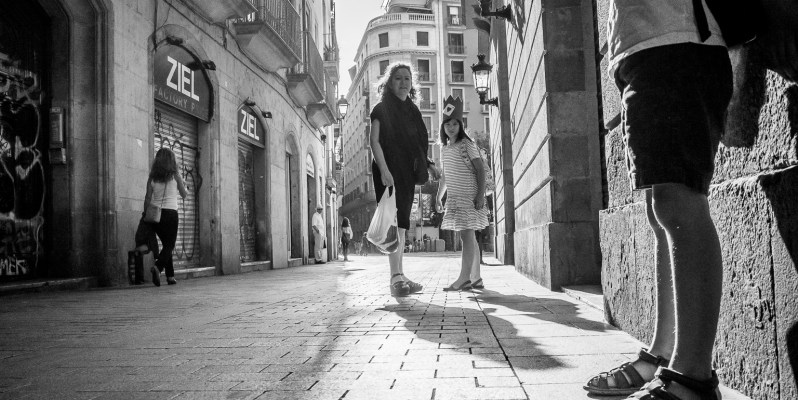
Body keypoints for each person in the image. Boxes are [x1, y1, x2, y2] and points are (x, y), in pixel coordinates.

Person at [584, 2, 798, 400]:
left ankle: (692, 377)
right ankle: (662, 353)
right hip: (639, 47)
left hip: (679, 39)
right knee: (659, 208)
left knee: (676, 202)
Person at [369, 61, 440, 297]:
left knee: (402, 223)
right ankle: (395, 277)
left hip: (407, 172)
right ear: (389, 82)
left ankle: (400, 273)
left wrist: (429, 164)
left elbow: (417, 146)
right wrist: (383, 170)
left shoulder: (413, 111)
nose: (403, 82)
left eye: (407, 79)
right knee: (393, 221)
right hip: (388, 171)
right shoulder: (381, 109)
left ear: (412, 84)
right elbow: (374, 141)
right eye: (398, 78)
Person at [435, 95, 488, 292]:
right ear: (443, 126)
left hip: (470, 197)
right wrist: (439, 197)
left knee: (467, 236)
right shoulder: (445, 149)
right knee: (469, 236)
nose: (451, 127)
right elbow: (445, 177)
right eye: (447, 123)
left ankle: (464, 278)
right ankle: (476, 277)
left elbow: (480, 169)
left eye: (455, 123)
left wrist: (480, 196)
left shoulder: (467, 145)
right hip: (455, 199)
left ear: (460, 125)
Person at [142, 148, 187, 287]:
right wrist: (184, 185)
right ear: (172, 161)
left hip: (155, 215)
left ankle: (170, 276)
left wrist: (145, 215)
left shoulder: (152, 177)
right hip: (171, 214)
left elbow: (147, 197)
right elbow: (184, 194)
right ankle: (158, 267)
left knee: (167, 245)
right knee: (169, 245)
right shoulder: (175, 176)